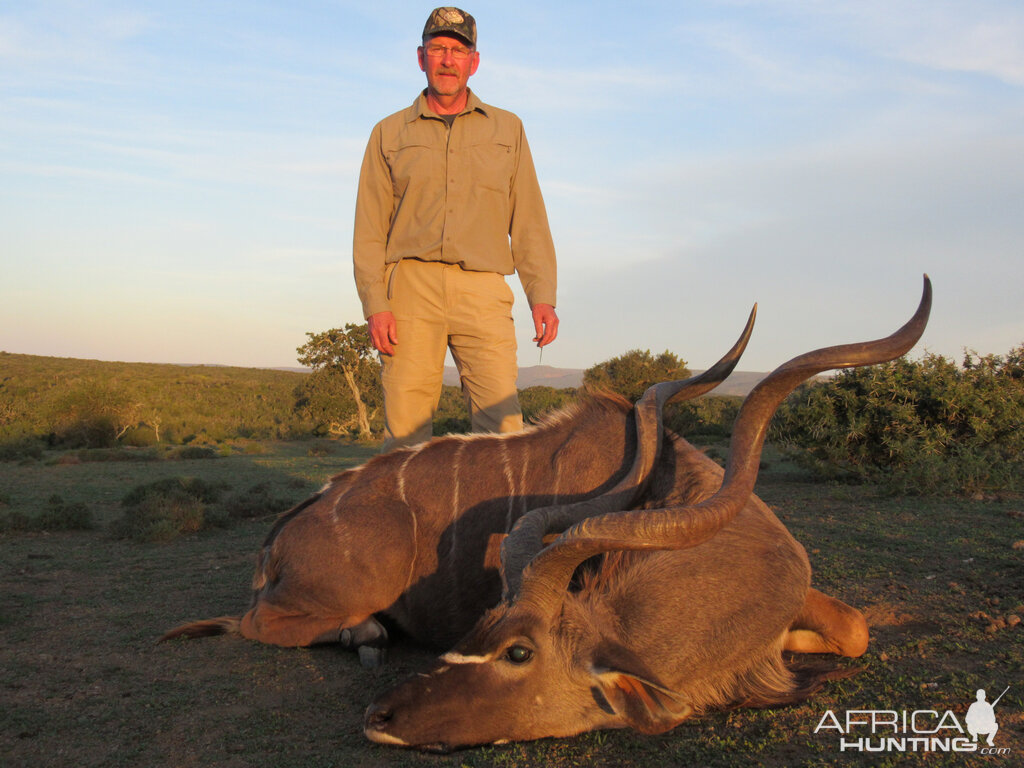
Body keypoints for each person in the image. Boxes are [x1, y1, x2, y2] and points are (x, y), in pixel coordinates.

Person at [352, 7, 559, 448]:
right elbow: (369, 228)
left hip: (483, 288)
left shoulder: (508, 129)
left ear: (474, 61)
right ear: (421, 57)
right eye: (438, 48)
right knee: (405, 435)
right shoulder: (388, 133)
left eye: (458, 50)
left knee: (502, 432)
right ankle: (405, 519)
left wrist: (542, 297)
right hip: (409, 289)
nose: (448, 59)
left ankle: (495, 521)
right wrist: (376, 304)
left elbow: (529, 220)